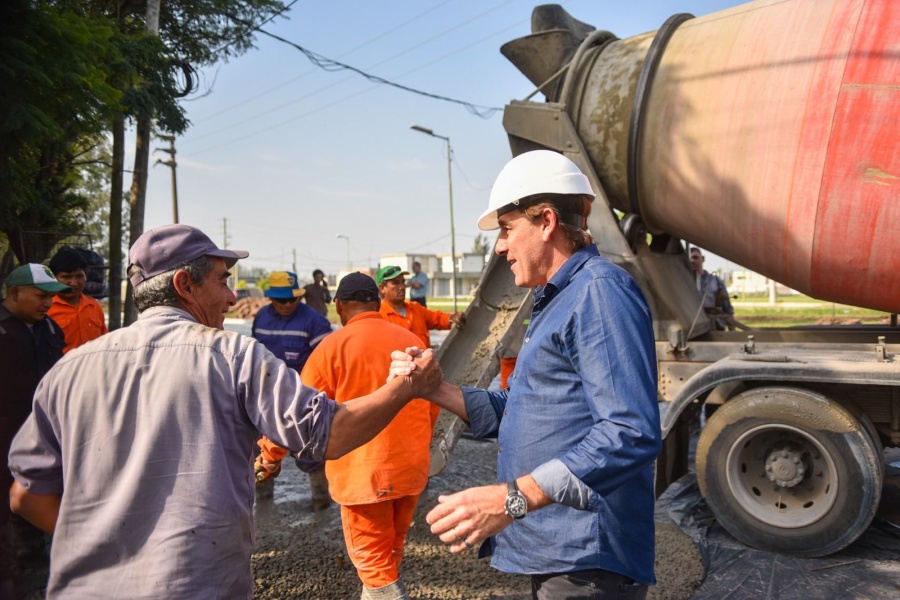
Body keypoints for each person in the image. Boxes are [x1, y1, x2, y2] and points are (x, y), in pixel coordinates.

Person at [7, 224, 440, 599]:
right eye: (223, 281)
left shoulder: (67, 371)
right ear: (185, 284)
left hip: (85, 590)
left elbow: (26, 496)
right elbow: (330, 432)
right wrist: (406, 387)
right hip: (196, 586)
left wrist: (106, 545)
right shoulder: (233, 357)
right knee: (384, 559)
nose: (233, 298)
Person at [390, 150, 662, 600]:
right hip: (561, 550)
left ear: (547, 221)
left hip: (587, 558)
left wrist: (512, 498)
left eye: (506, 228)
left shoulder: (599, 293)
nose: (500, 246)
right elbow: (518, 406)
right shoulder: (556, 299)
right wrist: (434, 387)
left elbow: (629, 432)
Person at [259, 273, 431, 600]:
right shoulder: (411, 340)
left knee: (374, 564)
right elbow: (432, 405)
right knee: (390, 552)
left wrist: (269, 456)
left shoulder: (333, 348)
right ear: (376, 302)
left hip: (364, 476)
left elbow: (297, 413)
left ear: (339, 305)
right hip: (411, 469)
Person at [1, 264, 69, 599]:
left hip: (43, 438)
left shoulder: (50, 328)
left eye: (51, 297)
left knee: (38, 502)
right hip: (4, 435)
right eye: (41, 295)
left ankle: (38, 573)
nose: (48, 303)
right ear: (14, 293)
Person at [253, 270, 334, 507]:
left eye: (293, 299)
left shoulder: (315, 321)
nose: (288, 304)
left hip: (303, 400)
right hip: (266, 399)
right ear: (271, 298)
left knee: (311, 453)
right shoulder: (261, 319)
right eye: (282, 300)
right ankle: (263, 500)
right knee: (262, 451)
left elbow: (328, 365)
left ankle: (321, 502)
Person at [377, 265, 465, 350]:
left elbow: (437, 318)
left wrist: (452, 318)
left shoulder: (416, 308)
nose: (402, 287)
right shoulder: (379, 317)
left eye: (403, 282)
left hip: (426, 360)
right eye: (395, 283)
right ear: (382, 288)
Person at [47, 246, 108, 353]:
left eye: (79, 276)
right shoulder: (45, 309)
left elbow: (105, 342)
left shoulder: (94, 306)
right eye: (66, 277)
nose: (74, 283)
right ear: (54, 278)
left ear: (86, 277)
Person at [689, 247, 747, 331]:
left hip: (716, 327)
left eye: (695, 257)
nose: (692, 261)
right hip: (694, 328)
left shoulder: (715, 281)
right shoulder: (684, 282)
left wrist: (732, 331)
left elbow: (727, 309)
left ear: (703, 259)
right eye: (690, 258)